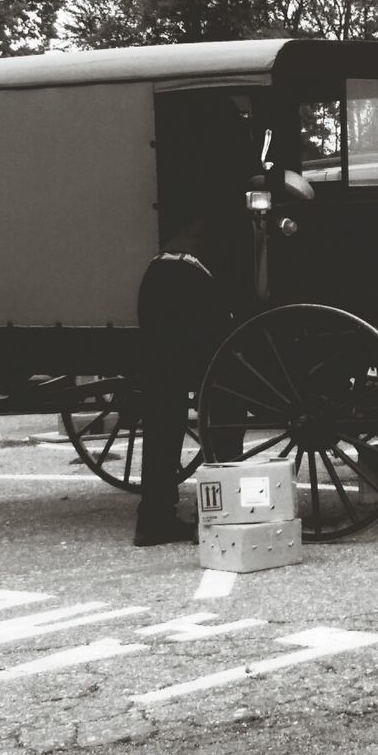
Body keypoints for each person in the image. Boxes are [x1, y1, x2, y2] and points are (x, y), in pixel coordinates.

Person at [134, 212, 242, 547]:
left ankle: (153, 517)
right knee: (225, 397)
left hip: (157, 278)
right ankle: (217, 512)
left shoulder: (205, 222)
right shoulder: (247, 224)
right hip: (193, 282)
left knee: (165, 405)